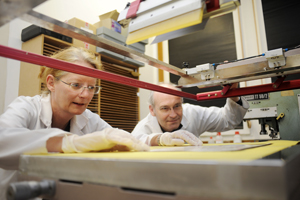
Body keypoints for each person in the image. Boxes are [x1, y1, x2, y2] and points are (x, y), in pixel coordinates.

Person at [0, 47, 149, 199]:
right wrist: (69, 143)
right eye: (76, 85)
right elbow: (2, 141)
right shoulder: (26, 107)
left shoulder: (89, 118)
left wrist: (159, 139)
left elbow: (123, 138)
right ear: (51, 83)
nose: (85, 95)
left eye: (91, 87)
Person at [132, 83, 249, 146]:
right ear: (152, 110)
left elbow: (227, 120)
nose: (173, 115)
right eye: (165, 108)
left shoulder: (193, 114)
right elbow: (131, 142)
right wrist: (160, 139)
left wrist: (233, 93)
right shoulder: (145, 126)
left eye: (177, 106)